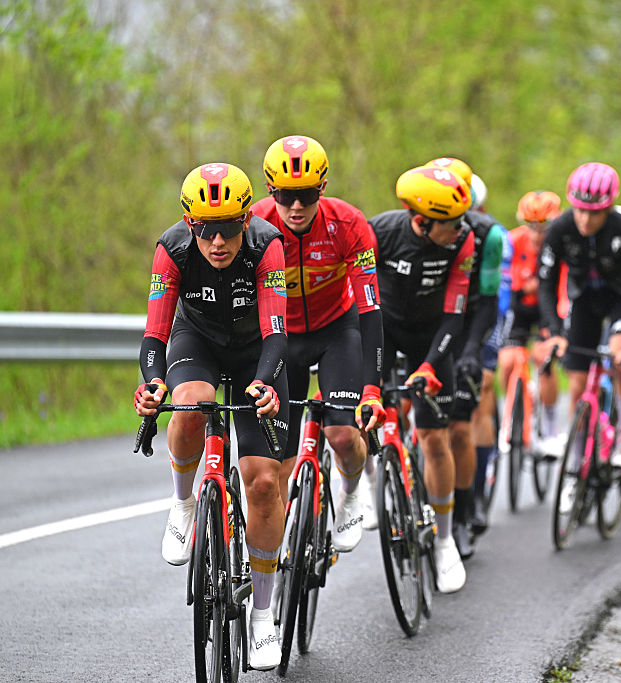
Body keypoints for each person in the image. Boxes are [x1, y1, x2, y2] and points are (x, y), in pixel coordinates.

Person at [134, 163, 289, 670]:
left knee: (263, 482)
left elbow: (276, 331)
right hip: (195, 340)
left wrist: (265, 381)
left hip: (255, 353)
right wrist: (153, 384)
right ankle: (182, 505)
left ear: (246, 219)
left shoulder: (266, 245)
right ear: (189, 222)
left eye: (228, 228)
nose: (217, 241)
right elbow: (155, 335)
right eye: (206, 229)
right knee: (191, 405)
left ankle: (263, 613)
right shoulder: (172, 248)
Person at [251, 135, 385, 554]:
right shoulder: (254, 224)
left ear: (322, 189)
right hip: (281, 338)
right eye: (286, 195)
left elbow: (370, 309)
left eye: (306, 195)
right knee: (281, 466)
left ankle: (349, 492)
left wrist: (372, 388)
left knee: (344, 435)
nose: (295, 207)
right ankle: (284, 553)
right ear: (271, 191)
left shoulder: (348, 224)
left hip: (335, 330)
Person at [369, 164, 474, 593]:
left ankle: (445, 539)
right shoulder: (380, 233)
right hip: (384, 332)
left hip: (433, 338)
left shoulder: (464, 241)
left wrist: (431, 363)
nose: (460, 229)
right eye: (451, 223)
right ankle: (364, 482)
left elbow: (456, 311)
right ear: (420, 220)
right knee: (367, 412)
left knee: (435, 439)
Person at [538, 162, 621, 472]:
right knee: (576, 385)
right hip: (584, 300)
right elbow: (546, 283)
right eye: (580, 210)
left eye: (595, 212)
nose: (585, 219)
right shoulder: (560, 228)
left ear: (609, 207)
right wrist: (555, 332)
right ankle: (576, 465)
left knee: (617, 359)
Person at [425, 157, 505, 559]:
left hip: (470, 324)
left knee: (459, 427)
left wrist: (474, 351)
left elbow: (489, 303)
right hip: (427, 325)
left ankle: (464, 511)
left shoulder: (488, 235)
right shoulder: (419, 221)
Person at [498, 190, 566, 458]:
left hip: (549, 309)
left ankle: (550, 425)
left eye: (544, 228)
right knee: (506, 360)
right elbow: (506, 283)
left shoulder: (561, 244)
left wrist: (556, 327)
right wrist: (524, 286)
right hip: (520, 308)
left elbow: (563, 288)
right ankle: (511, 411)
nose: (537, 235)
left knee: (545, 358)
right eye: (532, 227)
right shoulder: (513, 241)